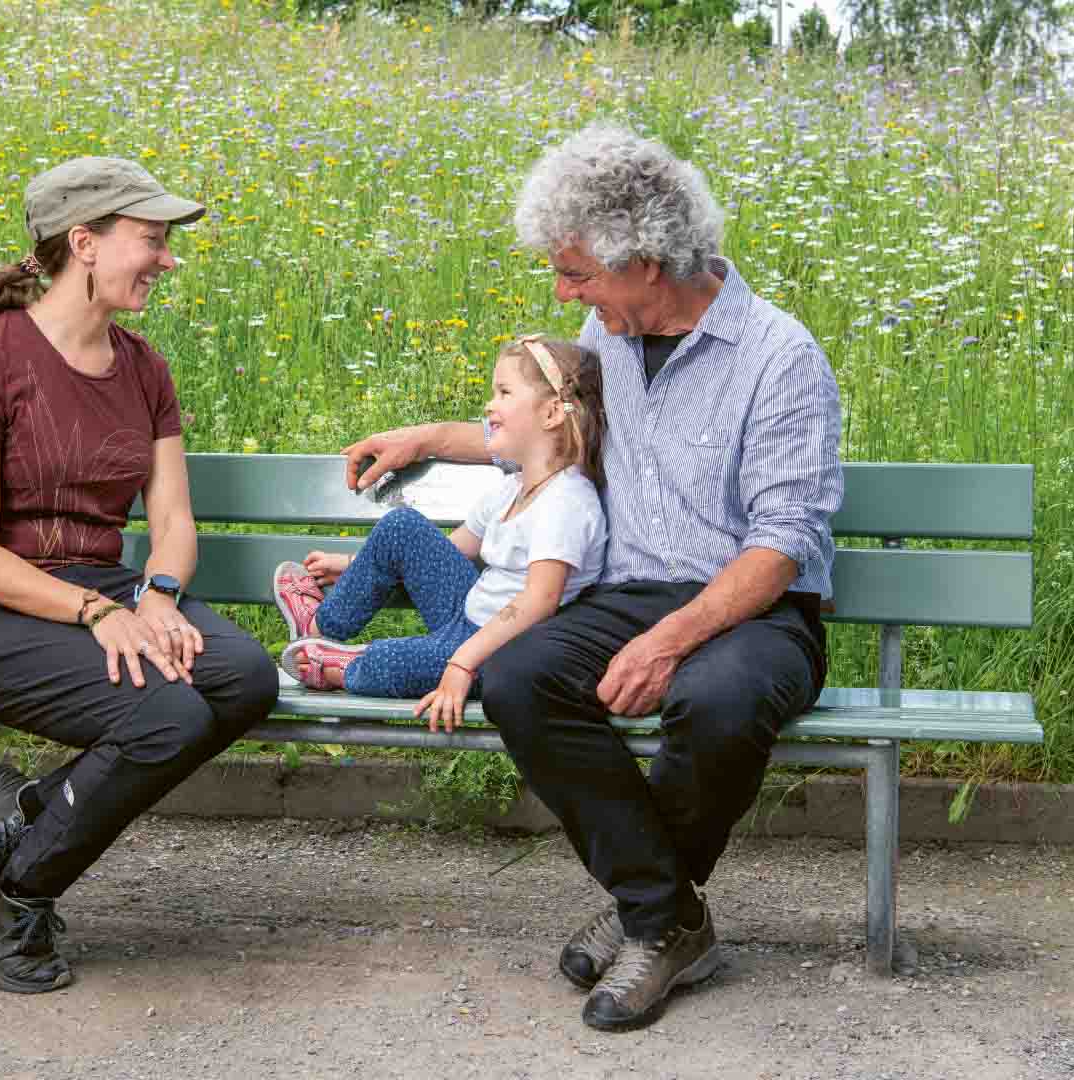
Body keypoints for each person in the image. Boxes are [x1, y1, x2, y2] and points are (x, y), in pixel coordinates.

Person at [341, 125, 843, 1032]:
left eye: (578, 273)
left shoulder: (779, 357)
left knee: (717, 702)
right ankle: (669, 917)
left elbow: (784, 544)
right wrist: (427, 438)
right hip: (626, 595)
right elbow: (549, 431)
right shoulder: (604, 333)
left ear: (647, 260)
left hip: (756, 608)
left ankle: (646, 916)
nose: (566, 292)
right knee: (517, 676)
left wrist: (671, 640)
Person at [0, 156, 280, 994]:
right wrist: (94, 613)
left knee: (242, 677)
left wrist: (155, 596)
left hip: (99, 591)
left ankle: (19, 819)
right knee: (165, 717)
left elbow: (173, 522)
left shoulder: (144, 367)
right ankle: (23, 891)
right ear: (84, 243)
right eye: (151, 239)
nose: (169, 258)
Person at [272, 335, 607, 733]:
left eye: (504, 393)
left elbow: (539, 601)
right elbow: (451, 551)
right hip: (467, 613)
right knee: (403, 527)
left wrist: (463, 660)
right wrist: (352, 566)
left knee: (388, 663)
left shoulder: (566, 502)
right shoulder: (514, 486)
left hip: (503, 650)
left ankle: (340, 668)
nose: (489, 405)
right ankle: (318, 629)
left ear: (551, 412)